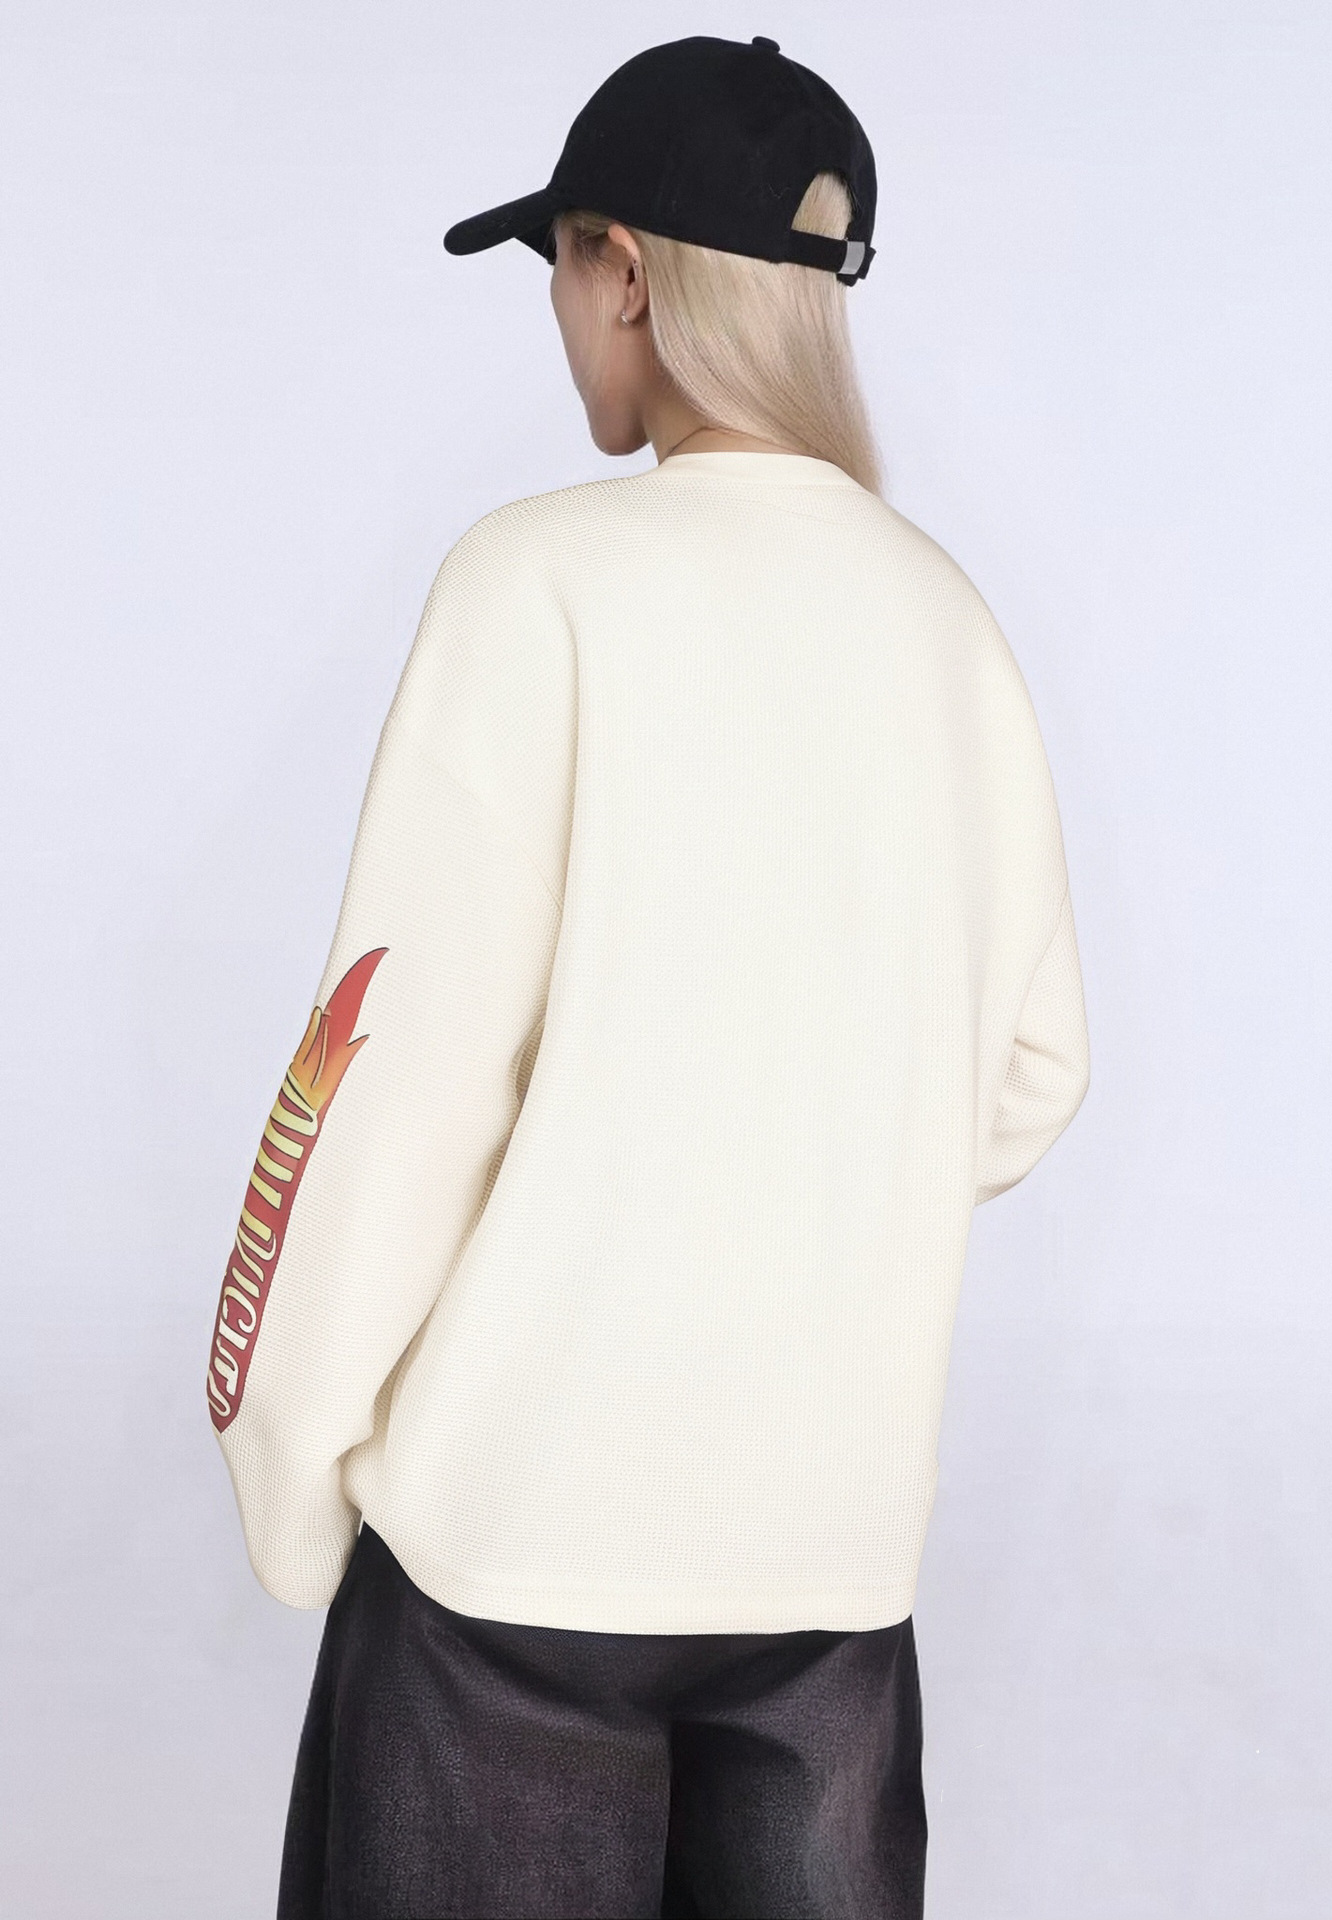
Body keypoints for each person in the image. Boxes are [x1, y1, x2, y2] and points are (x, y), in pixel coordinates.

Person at [205, 32, 1090, 1920]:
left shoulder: (538, 580)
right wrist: (788, 1185)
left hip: (517, 1567)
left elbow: (394, 1073)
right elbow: (1030, 1067)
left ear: (622, 268)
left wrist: (290, 1470)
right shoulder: (946, 619)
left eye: (557, 264)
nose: (558, 315)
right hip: (831, 1559)